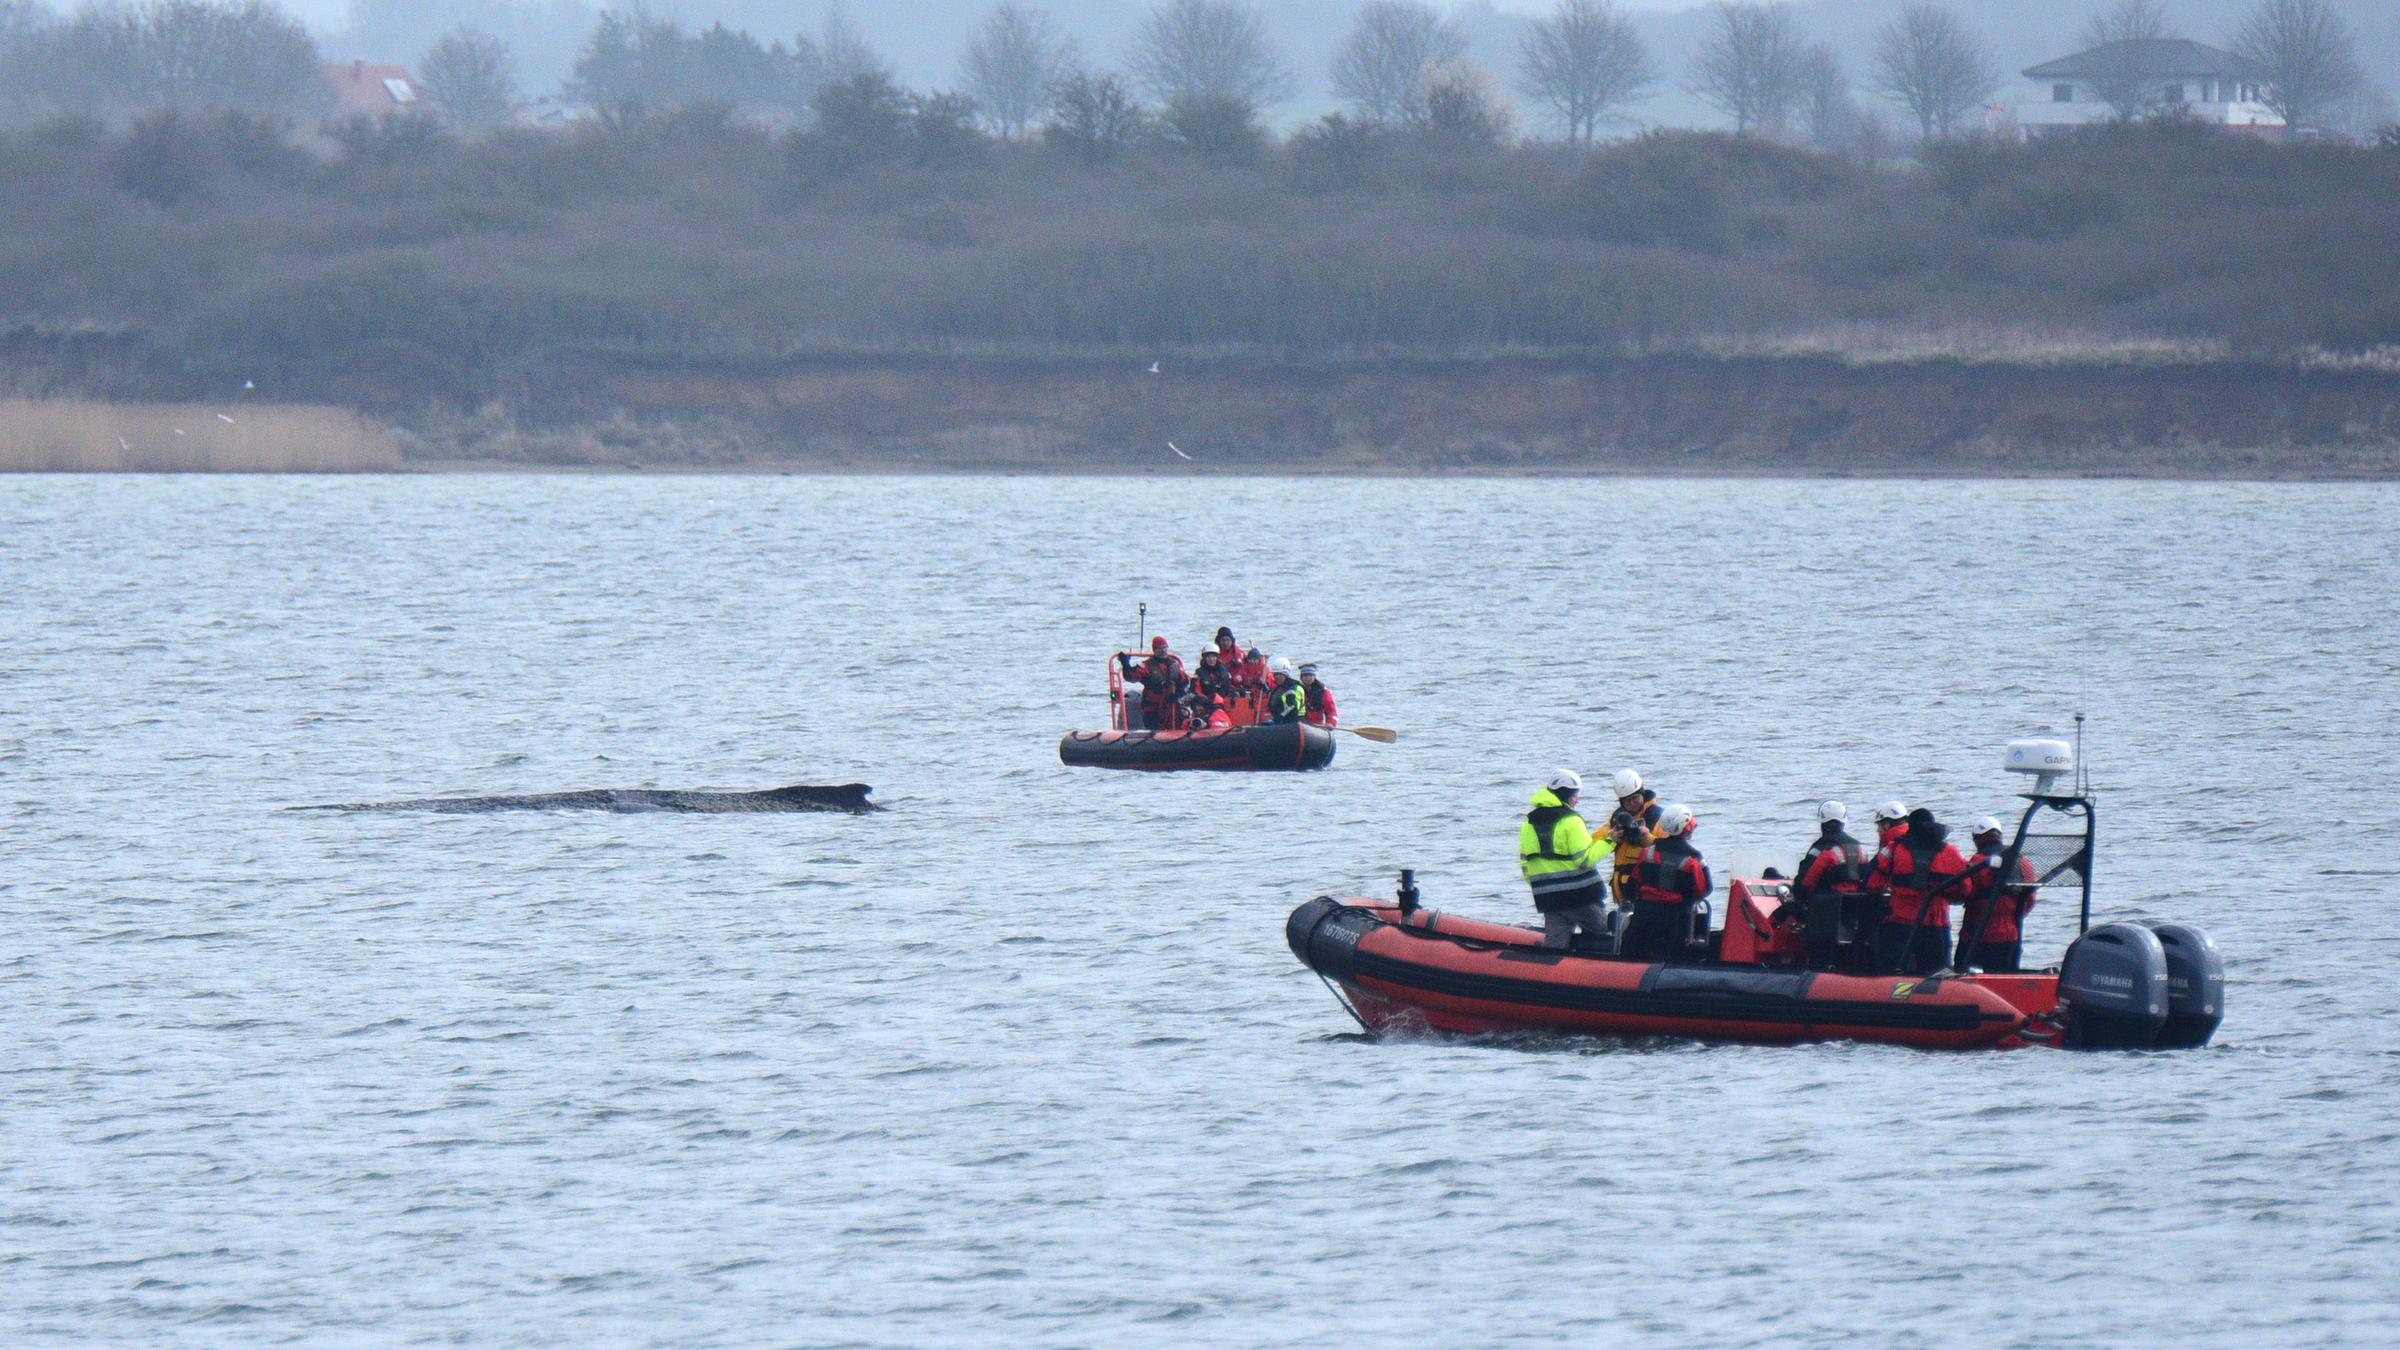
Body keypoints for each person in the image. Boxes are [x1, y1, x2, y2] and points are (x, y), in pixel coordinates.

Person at [1864, 807, 1972, 975]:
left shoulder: (1893, 849)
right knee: (1938, 975)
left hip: (1901, 924)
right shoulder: (1952, 852)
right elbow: (1966, 889)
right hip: (1937, 925)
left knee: (1890, 973)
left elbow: (1872, 884)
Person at [1519, 770, 1612, 950]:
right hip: (1580, 897)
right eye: (1575, 795)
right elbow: (1585, 859)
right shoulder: (1571, 821)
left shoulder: (1528, 824)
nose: (1577, 799)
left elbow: (1525, 865)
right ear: (1566, 795)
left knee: (1554, 948)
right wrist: (1611, 841)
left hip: (1547, 898)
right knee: (1604, 938)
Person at [1624, 804, 1711, 961]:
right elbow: (1703, 890)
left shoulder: (1648, 851)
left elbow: (1633, 882)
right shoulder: (1694, 858)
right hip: (1674, 918)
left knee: (1635, 955)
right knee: (1670, 958)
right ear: (1687, 827)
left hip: (1644, 915)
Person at [1792, 800, 1871, 970]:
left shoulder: (1822, 849)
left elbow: (1804, 885)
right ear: (1843, 821)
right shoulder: (1860, 849)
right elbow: (1870, 880)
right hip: (1855, 914)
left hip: (1825, 915)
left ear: (1822, 822)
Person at [1956, 815, 2039, 973]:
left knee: (1960, 972)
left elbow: (1965, 892)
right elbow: (2031, 898)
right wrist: (2014, 916)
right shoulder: (2022, 862)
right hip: (2010, 935)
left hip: (1976, 935)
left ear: (1978, 839)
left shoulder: (1976, 862)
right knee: (2004, 976)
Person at [1606, 770, 1660, 906]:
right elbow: (1595, 840)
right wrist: (1611, 838)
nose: (1631, 803)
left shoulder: (1657, 817)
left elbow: (1667, 848)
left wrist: (1646, 836)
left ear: (1642, 794)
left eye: (1635, 798)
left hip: (1646, 888)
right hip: (1623, 890)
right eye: (1626, 801)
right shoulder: (1617, 819)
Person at [1119, 636, 1187, 730]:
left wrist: (1178, 693)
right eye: (1159, 648)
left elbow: (1184, 681)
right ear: (1154, 650)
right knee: (1152, 727)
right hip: (1153, 709)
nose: (1163, 651)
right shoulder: (1147, 666)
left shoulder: (1174, 665)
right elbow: (1132, 677)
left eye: (1164, 648)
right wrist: (1126, 665)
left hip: (1172, 706)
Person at [1266, 656, 1308, 724]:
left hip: (1295, 721)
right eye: (1276, 675)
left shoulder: (1294, 688)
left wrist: (1277, 718)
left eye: (1280, 674)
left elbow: (1292, 707)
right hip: (1282, 722)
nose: (1278, 677)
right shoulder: (1279, 688)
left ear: (1286, 674)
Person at [1297, 663, 1337, 727]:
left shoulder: (1323, 691)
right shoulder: (1296, 689)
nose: (1308, 678)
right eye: (1305, 676)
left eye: (1310, 675)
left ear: (1314, 677)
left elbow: (1331, 710)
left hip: (1317, 725)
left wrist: (1331, 723)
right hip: (1300, 723)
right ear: (1301, 677)